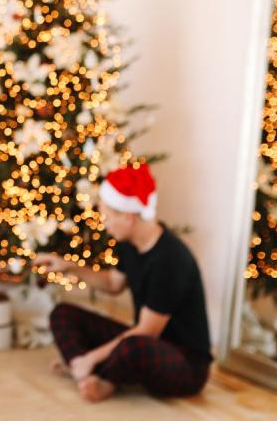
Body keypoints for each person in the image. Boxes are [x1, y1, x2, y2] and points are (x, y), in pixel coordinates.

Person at [35, 163, 212, 401]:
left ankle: (105, 378)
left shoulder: (169, 259)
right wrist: (69, 267)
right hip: (145, 341)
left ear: (128, 217)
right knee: (63, 314)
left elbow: (148, 331)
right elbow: (112, 284)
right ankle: (85, 369)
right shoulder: (129, 243)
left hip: (186, 364)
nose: (104, 224)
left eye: (107, 217)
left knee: (134, 346)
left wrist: (93, 357)